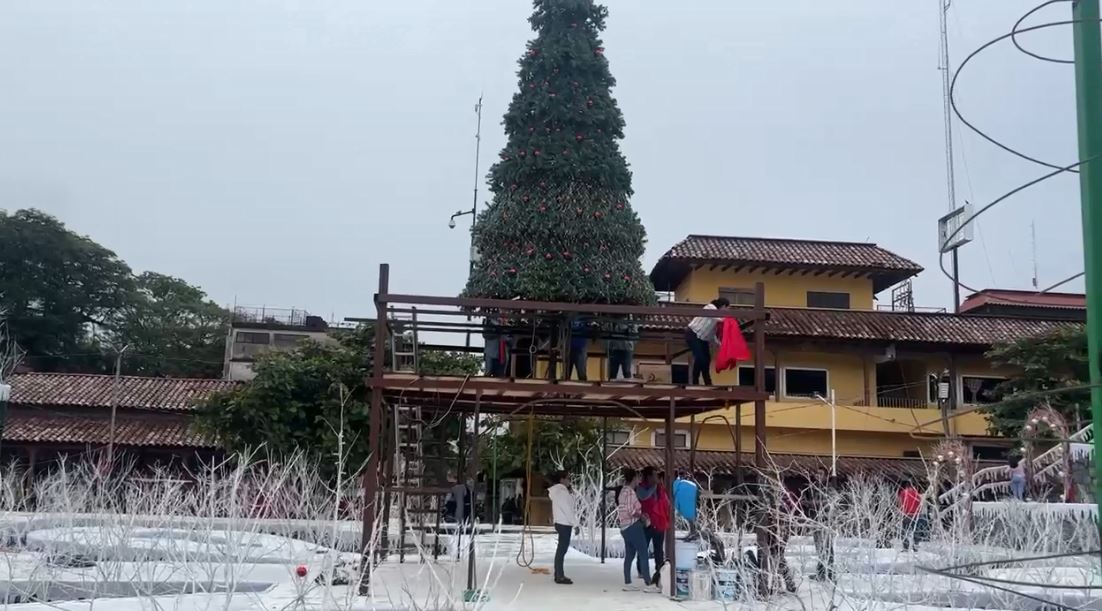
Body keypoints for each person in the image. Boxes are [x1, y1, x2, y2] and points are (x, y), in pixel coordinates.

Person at [617, 468, 657, 592]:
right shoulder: (630, 492)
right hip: (633, 526)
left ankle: (628, 582)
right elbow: (631, 511)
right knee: (643, 552)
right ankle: (648, 583)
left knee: (629, 555)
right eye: (638, 477)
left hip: (624, 527)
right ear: (633, 478)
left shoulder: (623, 491)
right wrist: (642, 516)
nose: (639, 480)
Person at [638, 468, 671, 586]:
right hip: (646, 522)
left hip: (658, 522)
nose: (656, 478)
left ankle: (659, 569)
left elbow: (666, 502)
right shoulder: (641, 488)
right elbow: (644, 497)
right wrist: (654, 487)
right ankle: (641, 570)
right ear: (648, 477)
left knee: (658, 548)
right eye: (654, 476)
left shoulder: (660, 489)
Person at [685, 298, 729, 385]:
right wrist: (725, 319)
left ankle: (707, 382)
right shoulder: (710, 307)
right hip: (693, 334)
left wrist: (719, 344)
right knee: (700, 358)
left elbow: (712, 334)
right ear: (723, 306)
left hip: (702, 339)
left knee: (706, 359)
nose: (727, 310)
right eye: (727, 308)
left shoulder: (716, 319)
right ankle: (695, 381)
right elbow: (714, 316)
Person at [803, 469, 836, 581]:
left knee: (827, 548)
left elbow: (831, 502)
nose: (817, 476)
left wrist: (813, 504)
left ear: (826, 476)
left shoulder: (829, 489)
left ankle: (829, 573)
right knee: (820, 548)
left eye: (820, 474)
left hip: (826, 522)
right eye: (816, 473)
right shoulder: (813, 488)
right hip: (816, 522)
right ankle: (821, 572)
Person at [548, 470, 577, 585]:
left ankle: (558, 574)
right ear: (562, 479)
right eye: (568, 478)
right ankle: (559, 575)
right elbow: (568, 510)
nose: (570, 481)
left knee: (561, 549)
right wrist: (575, 524)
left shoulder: (558, 492)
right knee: (562, 550)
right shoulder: (562, 493)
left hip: (560, 522)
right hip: (564, 523)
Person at [672, 470, 700, 541]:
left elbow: (674, 492)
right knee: (689, 516)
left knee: (688, 515)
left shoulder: (677, 482)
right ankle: (693, 532)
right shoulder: (682, 482)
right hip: (689, 497)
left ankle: (693, 532)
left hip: (685, 499)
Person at [898, 479, 923, 551]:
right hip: (915, 514)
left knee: (905, 531)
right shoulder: (917, 494)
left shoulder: (903, 493)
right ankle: (915, 546)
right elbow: (919, 504)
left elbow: (900, 503)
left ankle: (905, 547)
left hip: (906, 514)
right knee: (916, 530)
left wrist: (901, 512)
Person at [566, 316, 589, 381]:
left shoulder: (585, 315)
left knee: (582, 374)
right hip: (569, 346)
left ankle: (583, 387)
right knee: (566, 374)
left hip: (580, 347)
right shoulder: (568, 315)